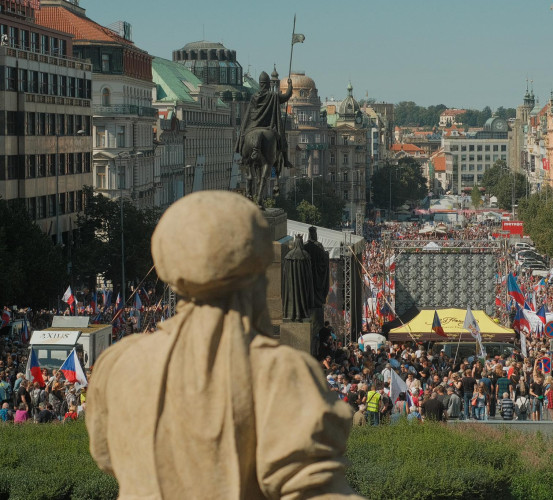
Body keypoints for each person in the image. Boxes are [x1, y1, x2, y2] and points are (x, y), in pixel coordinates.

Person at [85, 192, 362, 500]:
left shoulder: (117, 366)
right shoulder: (279, 373)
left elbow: (106, 456)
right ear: (257, 271)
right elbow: (317, 489)